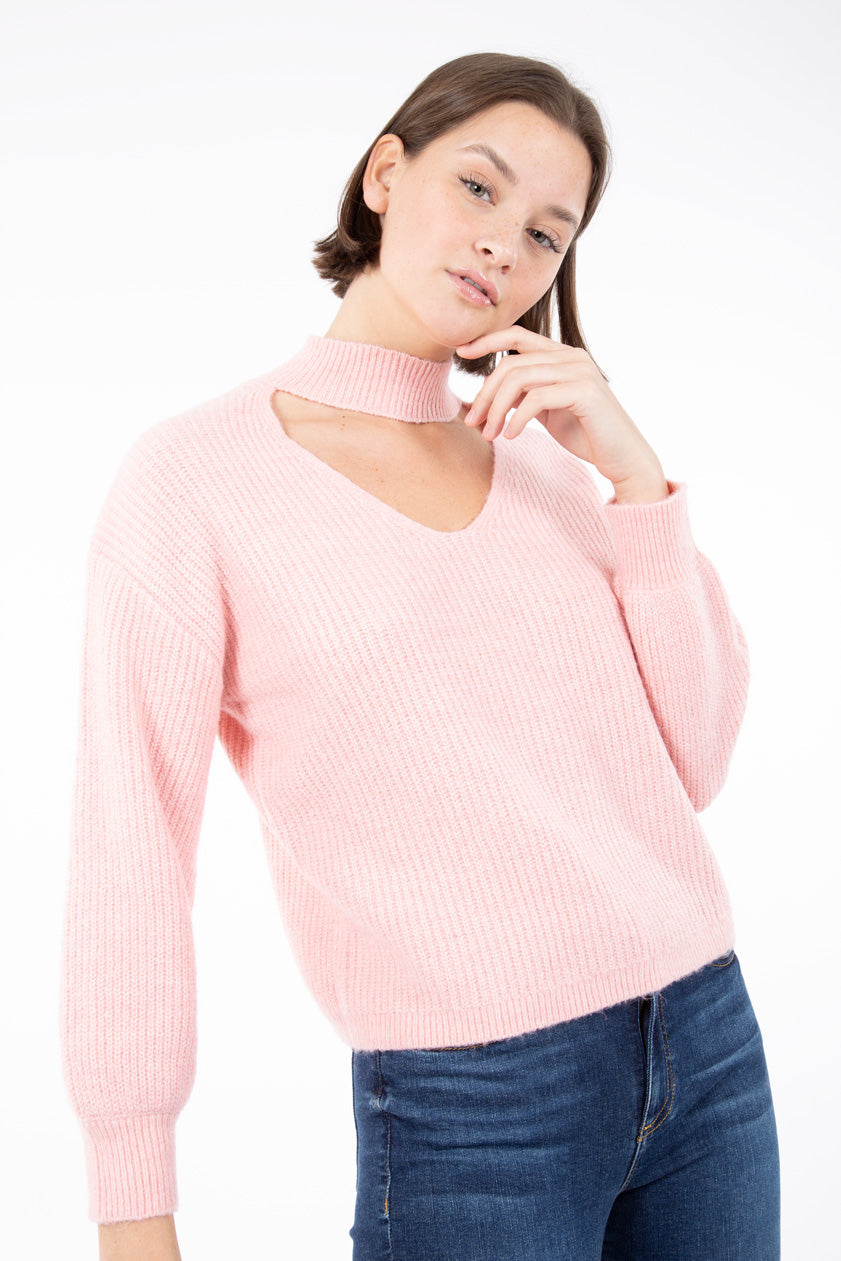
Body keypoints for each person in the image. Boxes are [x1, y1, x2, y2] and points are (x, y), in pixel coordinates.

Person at [59, 51, 780, 1261]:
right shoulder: (192, 483)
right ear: (385, 174)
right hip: (473, 1099)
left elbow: (695, 760)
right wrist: (133, 1207)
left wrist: (636, 479)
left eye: (547, 233)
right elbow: (130, 849)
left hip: (706, 1040)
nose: (505, 244)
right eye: (479, 187)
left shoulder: (547, 458)